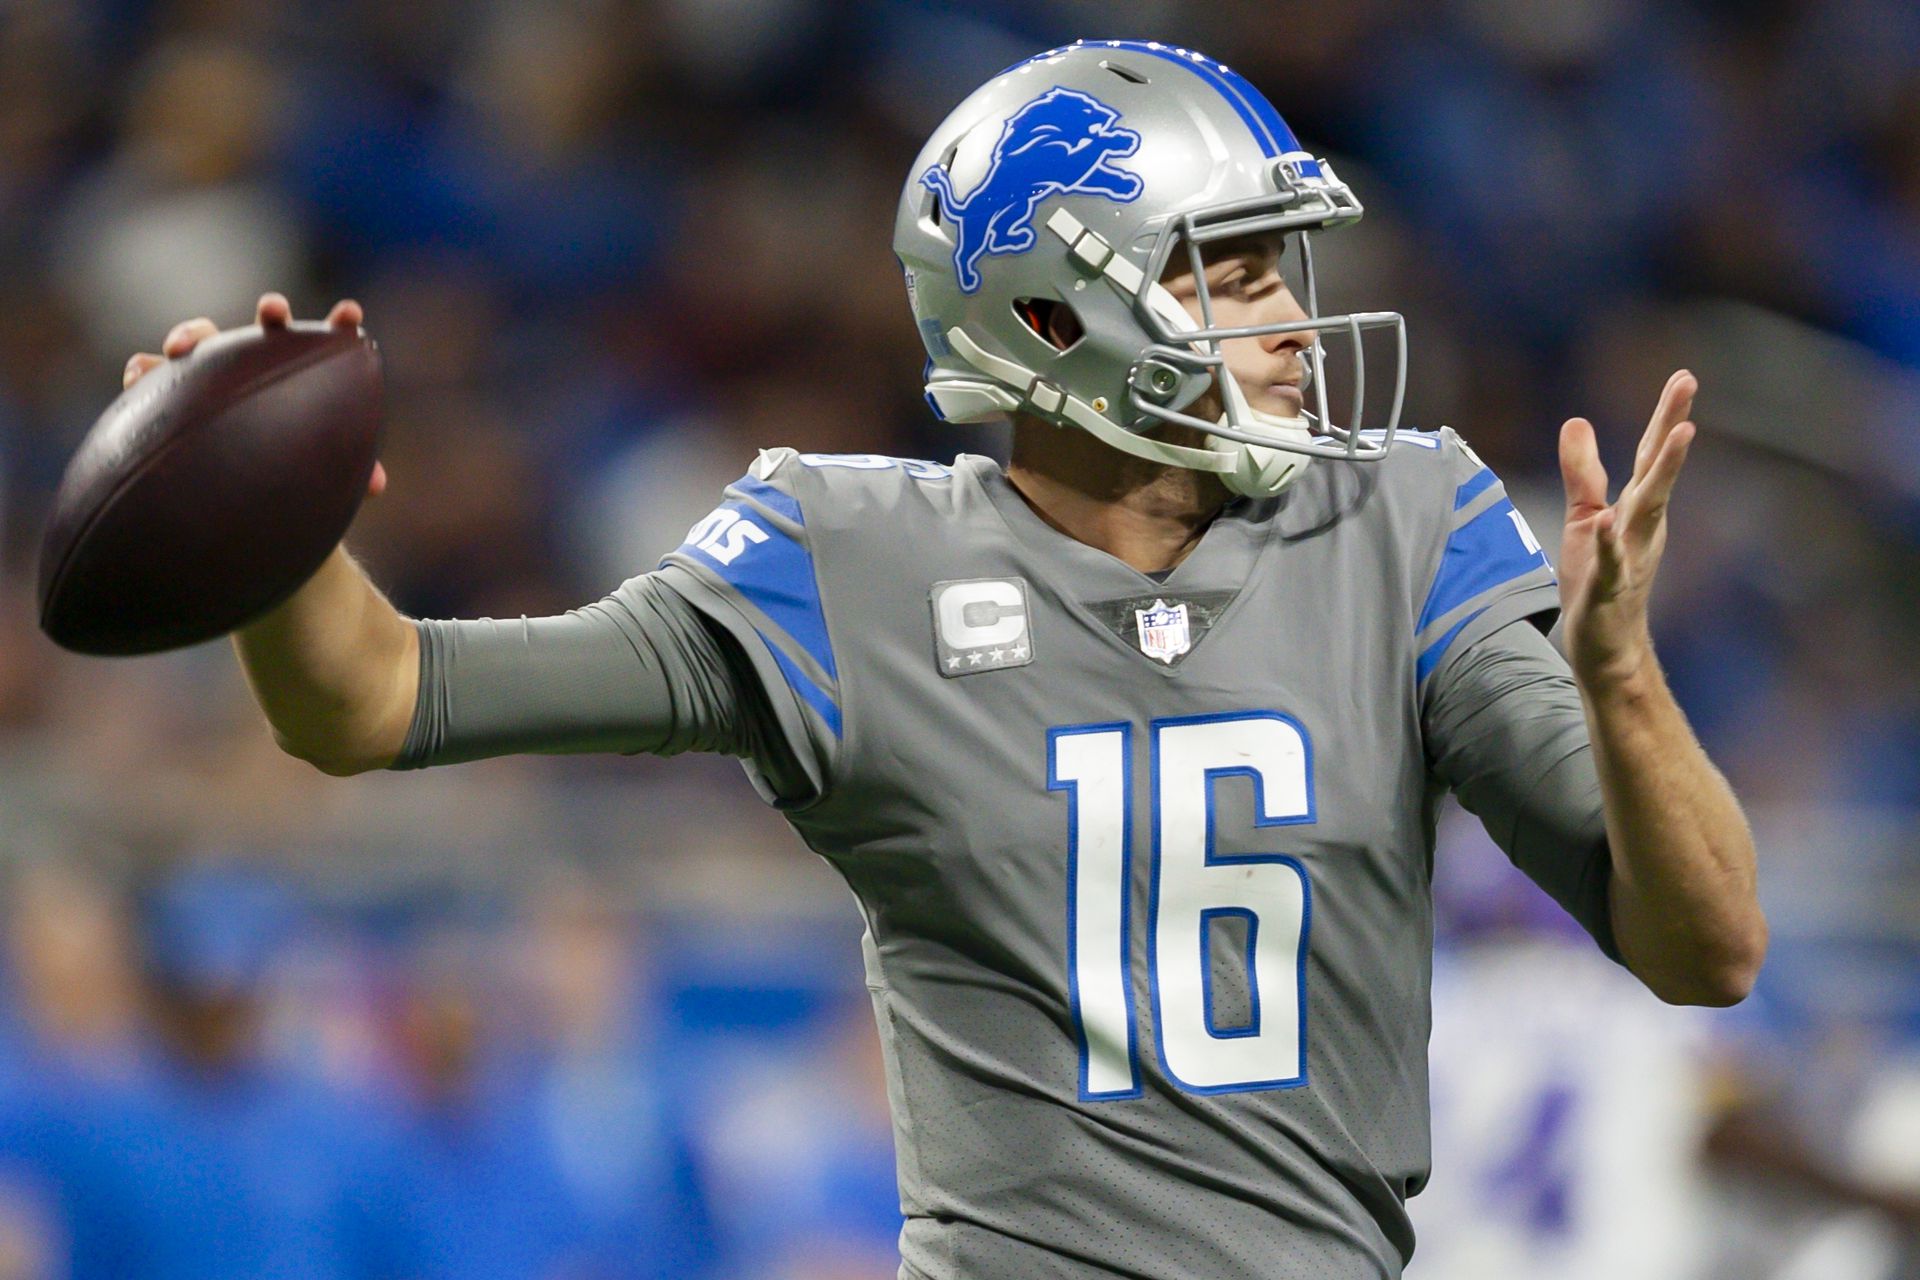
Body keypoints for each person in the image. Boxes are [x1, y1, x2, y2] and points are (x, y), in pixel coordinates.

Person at [125, 39, 1765, 1280]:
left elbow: (1709, 948)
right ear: (1058, 317)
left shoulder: (1404, 519)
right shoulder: (848, 563)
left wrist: (1622, 683)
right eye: (1233, 272)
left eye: (1282, 268)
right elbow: (379, 697)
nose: (1287, 320)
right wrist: (272, 531)